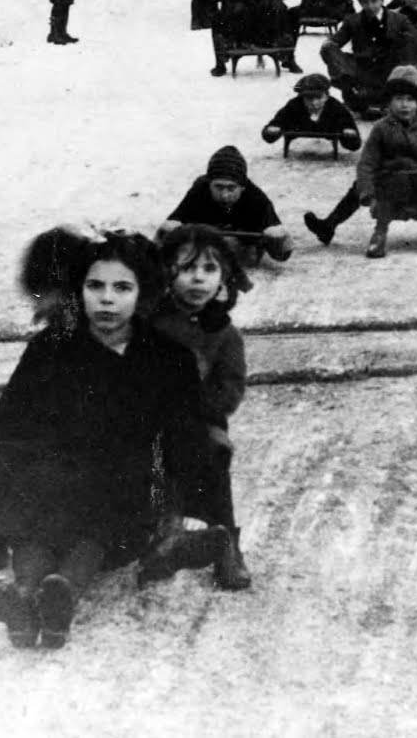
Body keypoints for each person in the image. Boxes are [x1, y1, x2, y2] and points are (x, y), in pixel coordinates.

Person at [0, 226, 200, 648]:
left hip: (123, 490)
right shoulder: (53, 347)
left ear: (144, 294)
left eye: (122, 288)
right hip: (55, 480)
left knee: (93, 526)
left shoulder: (167, 357)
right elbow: (5, 417)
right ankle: (22, 598)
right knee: (35, 513)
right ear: (79, 290)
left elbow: (183, 434)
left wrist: (177, 500)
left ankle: (62, 594)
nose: (107, 298)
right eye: (95, 286)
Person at [140, 225, 255, 591]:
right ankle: (164, 538)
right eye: (187, 269)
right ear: (168, 273)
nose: (198, 279)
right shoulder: (152, 322)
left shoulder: (225, 334)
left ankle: (228, 547)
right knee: (155, 465)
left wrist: (195, 403)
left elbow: (231, 387)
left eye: (209, 270)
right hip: (149, 417)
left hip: (201, 420)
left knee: (215, 463)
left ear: (223, 278)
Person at [354, 71, 417, 258]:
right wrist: (367, 191)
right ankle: (380, 233)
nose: (404, 105)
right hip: (394, 182)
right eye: (399, 99)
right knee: (388, 181)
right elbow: (367, 162)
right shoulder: (381, 128)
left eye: (410, 99)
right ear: (389, 102)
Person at [159, 146, 293, 266]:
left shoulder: (256, 198)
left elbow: (282, 255)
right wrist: (169, 230)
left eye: (231, 188)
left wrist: (279, 238)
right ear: (209, 183)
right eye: (218, 187)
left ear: (242, 187)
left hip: (244, 231)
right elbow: (171, 224)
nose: (225, 195)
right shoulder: (200, 189)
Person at [210, 0, 296, 76]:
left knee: (290, 14)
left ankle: (289, 59)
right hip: (244, 36)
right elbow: (226, 15)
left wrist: (277, 7)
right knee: (217, 18)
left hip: (268, 37)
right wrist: (235, 10)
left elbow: (282, 15)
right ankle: (220, 64)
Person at [261, 73, 362, 152]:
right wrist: (272, 131)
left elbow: (355, 145)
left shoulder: (336, 107)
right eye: (309, 98)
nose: (314, 103)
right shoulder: (294, 105)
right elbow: (274, 126)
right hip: (299, 128)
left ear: (326, 96)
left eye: (318, 97)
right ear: (301, 98)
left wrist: (350, 135)